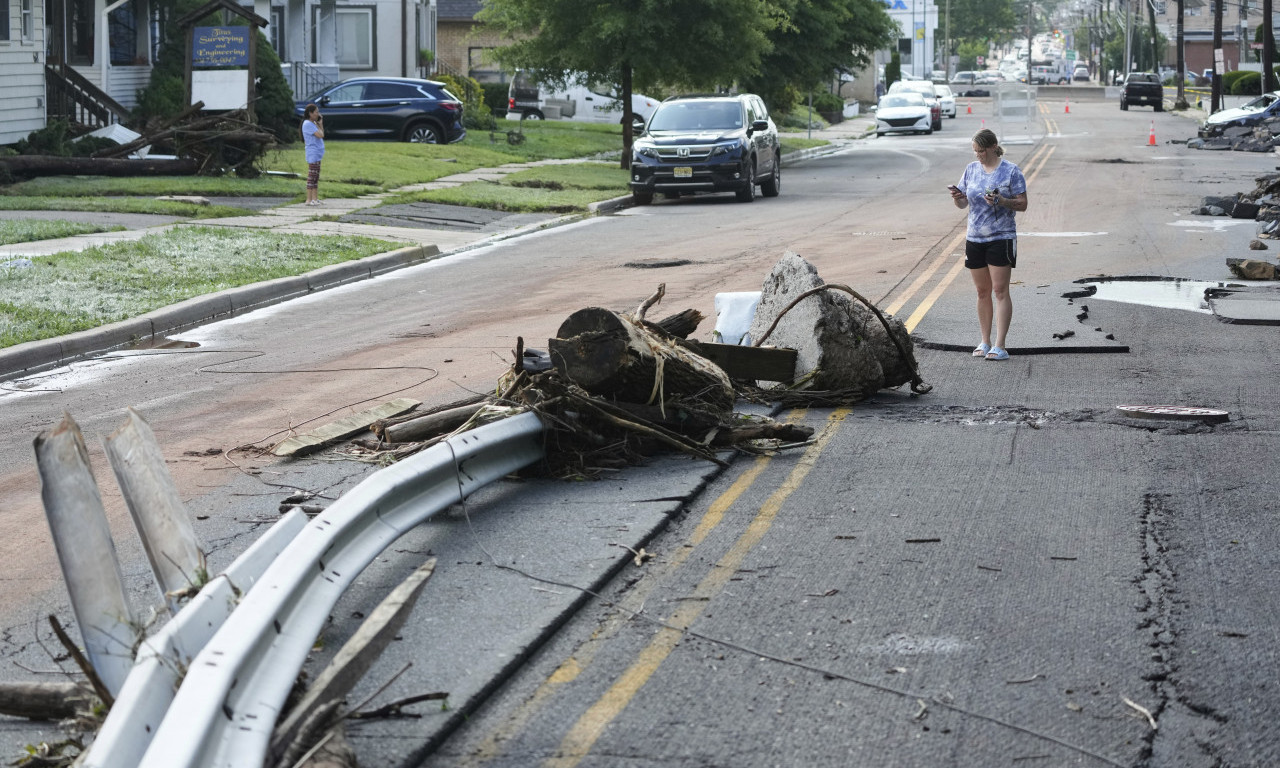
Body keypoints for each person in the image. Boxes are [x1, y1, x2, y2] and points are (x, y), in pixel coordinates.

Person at [948, 128, 1028, 361]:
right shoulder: (971, 170)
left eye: (981, 150)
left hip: (1001, 237)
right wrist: (958, 198)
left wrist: (1002, 201)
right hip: (975, 237)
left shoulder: (1011, 171)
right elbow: (963, 205)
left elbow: (1022, 204)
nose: (978, 155)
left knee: (999, 290)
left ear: (993, 147)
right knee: (982, 291)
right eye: (975, 151)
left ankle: (1000, 345)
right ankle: (985, 341)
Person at [302, 104, 325, 206]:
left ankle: (315, 199)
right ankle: (308, 199)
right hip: (313, 153)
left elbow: (321, 133)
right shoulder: (307, 124)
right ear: (310, 113)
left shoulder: (313, 123)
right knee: (311, 176)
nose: (318, 114)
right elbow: (321, 135)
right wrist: (319, 125)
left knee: (316, 176)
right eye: (316, 112)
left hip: (317, 153)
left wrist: (320, 124)